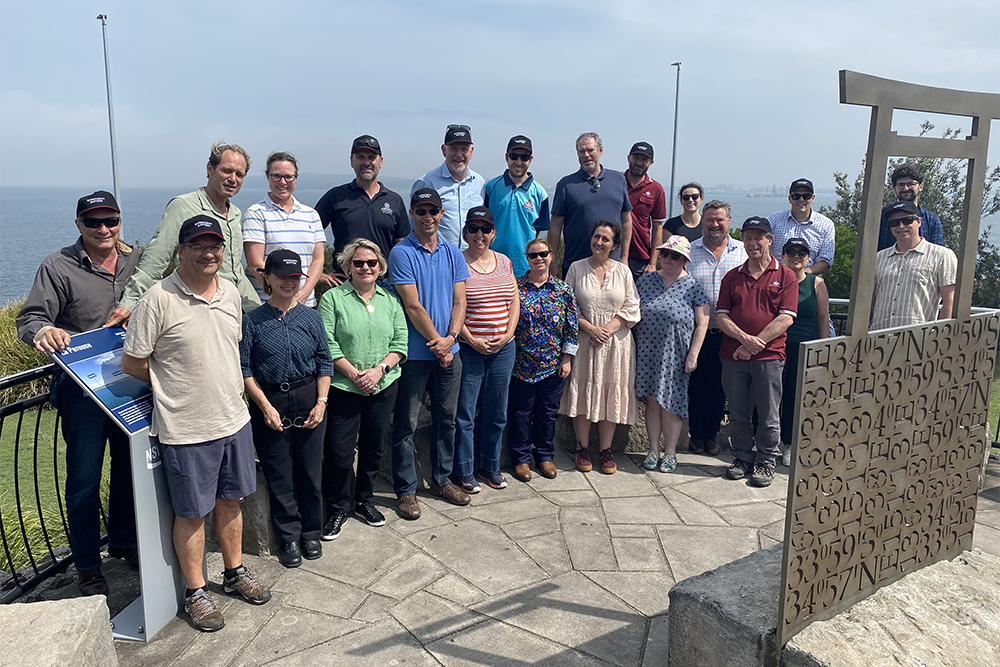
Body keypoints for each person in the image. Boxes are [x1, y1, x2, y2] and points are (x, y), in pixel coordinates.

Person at [121, 216, 271, 633]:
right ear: (180, 251)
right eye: (199, 246)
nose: (209, 253)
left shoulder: (229, 293)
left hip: (233, 418)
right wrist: (174, 384)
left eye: (215, 246)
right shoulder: (157, 299)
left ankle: (235, 571)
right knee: (191, 513)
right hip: (186, 427)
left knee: (231, 501)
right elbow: (133, 362)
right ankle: (195, 592)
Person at [16, 190, 141, 596]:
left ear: (120, 220)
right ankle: (88, 566)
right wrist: (44, 331)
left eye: (111, 220)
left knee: (130, 471)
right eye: (93, 222)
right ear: (78, 225)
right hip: (83, 392)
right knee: (84, 480)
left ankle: (125, 542)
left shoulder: (137, 260)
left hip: (131, 386)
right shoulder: (58, 265)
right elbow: (30, 317)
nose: (103, 229)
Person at [240, 250, 334, 568]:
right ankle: (289, 536)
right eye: (282, 276)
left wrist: (321, 403)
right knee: (279, 474)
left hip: (309, 395)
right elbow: (245, 369)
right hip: (270, 399)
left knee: (310, 470)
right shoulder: (253, 321)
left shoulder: (311, 317)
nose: (289, 282)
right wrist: (265, 407)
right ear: (268, 277)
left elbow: (324, 361)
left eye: (294, 277)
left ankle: (311, 531)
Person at [106, 142, 260, 326]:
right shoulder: (183, 206)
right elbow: (156, 259)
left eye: (239, 174)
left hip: (239, 305)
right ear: (210, 169)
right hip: (204, 307)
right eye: (227, 171)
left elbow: (235, 273)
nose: (233, 179)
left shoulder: (235, 213)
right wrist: (130, 303)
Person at [388, 188, 470, 519]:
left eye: (433, 210)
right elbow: (412, 305)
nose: (427, 216)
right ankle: (406, 490)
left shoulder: (453, 253)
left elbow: (460, 301)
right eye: (421, 211)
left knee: (447, 420)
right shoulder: (401, 252)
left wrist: (450, 339)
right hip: (415, 353)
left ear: (441, 213)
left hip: (449, 350)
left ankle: (441, 480)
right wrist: (440, 343)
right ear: (412, 213)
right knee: (405, 423)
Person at [318, 239, 407, 539]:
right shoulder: (332, 299)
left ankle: (364, 500)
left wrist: (379, 370)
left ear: (380, 267)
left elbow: (400, 343)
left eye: (371, 263)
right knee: (339, 453)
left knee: (372, 448)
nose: (365, 268)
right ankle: (338, 507)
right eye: (358, 263)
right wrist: (357, 374)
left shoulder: (391, 301)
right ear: (347, 267)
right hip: (345, 388)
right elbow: (327, 344)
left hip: (383, 385)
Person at [716, 217, 797, 488]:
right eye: (748, 238)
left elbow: (786, 318)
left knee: (768, 412)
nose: (753, 243)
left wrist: (754, 343)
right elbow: (722, 316)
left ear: (769, 241)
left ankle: (766, 459)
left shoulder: (785, 275)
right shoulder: (732, 276)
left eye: (758, 237)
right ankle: (742, 456)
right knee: (738, 411)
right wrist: (742, 339)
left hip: (770, 358)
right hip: (733, 356)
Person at [559, 220, 641, 475]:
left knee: (610, 390)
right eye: (596, 237)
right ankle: (582, 448)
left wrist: (607, 329)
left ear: (615, 244)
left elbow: (632, 306)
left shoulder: (623, 272)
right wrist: (590, 328)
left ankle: (605, 450)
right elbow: (567, 306)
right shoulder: (576, 268)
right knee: (582, 390)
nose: (599, 242)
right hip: (584, 341)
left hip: (616, 344)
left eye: (605, 239)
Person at [453, 207, 520, 493]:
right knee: (465, 412)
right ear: (466, 232)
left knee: (496, 410)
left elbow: (514, 298)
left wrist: (508, 334)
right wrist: (469, 339)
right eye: (473, 228)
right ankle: (464, 469)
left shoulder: (504, 261)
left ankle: (490, 466)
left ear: (493, 232)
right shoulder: (457, 261)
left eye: (485, 229)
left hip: (503, 349)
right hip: (470, 348)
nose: (479, 235)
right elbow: (453, 306)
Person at [633, 235, 709, 473]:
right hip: (647, 352)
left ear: (684, 260)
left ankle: (671, 452)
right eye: (664, 253)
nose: (667, 259)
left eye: (674, 255)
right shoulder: (645, 282)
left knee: (672, 404)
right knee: (652, 401)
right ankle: (653, 449)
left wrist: (693, 355)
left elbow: (703, 323)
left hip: (676, 354)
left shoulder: (694, 286)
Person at [509, 239, 579, 482]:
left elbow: (571, 328)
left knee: (547, 413)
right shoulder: (516, 288)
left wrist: (567, 358)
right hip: (521, 364)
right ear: (526, 259)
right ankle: (520, 458)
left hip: (552, 363)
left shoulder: (563, 290)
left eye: (543, 254)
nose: (539, 259)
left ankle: (545, 455)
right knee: (520, 412)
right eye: (533, 255)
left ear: (551, 256)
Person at [686, 201, 748, 456]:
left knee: (719, 387)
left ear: (729, 221)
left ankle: (711, 435)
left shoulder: (743, 253)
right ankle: (695, 434)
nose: (714, 225)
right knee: (694, 385)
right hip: (695, 332)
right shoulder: (689, 252)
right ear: (703, 221)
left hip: (729, 333)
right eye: (710, 219)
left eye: (719, 220)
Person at [314, 135, 411, 280]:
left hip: (385, 285)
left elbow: (402, 246)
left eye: (371, 157)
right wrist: (318, 275)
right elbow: (309, 234)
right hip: (345, 285)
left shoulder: (394, 200)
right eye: (360, 157)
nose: (366, 162)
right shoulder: (335, 197)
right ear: (352, 161)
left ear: (381, 161)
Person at [242, 151, 326, 306]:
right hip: (268, 305)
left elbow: (318, 259)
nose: (283, 182)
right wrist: (284, 296)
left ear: (296, 177)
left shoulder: (311, 214)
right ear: (268, 176)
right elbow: (255, 265)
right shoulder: (255, 213)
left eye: (288, 176)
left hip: (305, 305)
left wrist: (303, 294)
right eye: (276, 176)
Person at [548, 132, 634, 277]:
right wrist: (553, 262)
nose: (586, 155)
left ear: (600, 150)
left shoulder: (619, 179)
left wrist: (624, 258)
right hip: (575, 265)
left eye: (590, 150)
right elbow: (555, 226)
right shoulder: (566, 184)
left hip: (612, 264)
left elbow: (626, 220)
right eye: (582, 151)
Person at [778, 237, 829, 467]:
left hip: (805, 348)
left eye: (801, 252)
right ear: (783, 255)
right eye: (791, 251)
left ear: (808, 257)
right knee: (770, 396)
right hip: (777, 346)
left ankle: (789, 443)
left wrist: (824, 348)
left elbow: (823, 316)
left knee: (794, 397)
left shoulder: (816, 283)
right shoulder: (776, 280)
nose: (796, 256)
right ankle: (765, 441)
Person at [871, 201, 956, 331]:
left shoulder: (942, 256)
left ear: (919, 222)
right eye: (894, 222)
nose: (901, 226)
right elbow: (869, 299)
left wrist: (939, 338)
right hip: (878, 339)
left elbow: (949, 302)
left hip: (918, 341)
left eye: (907, 220)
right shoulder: (879, 258)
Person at [483, 135, 550, 277]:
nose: (519, 162)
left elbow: (537, 231)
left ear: (530, 160)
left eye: (524, 157)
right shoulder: (491, 187)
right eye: (514, 156)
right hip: (493, 263)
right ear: (506, 157)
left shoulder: (540, 193)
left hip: (525, 267)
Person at [410, 125, 486, 249]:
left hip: (472, 258)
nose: (459, 154)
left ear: (471, 152)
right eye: (453, 148)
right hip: (439, 257)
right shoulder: (427, 182)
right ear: (444, 150)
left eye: (464, 149)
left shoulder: (479, 183)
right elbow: (415, 226)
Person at [766, 179, 835, 275]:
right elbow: (763, 247)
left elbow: (825, 261)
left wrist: (801, 275)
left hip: (809, 282)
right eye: (796, 196)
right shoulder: (774, 220)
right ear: (790, 199)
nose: (801, 200)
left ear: (812, 198)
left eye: (806, 196)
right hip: (776, 278)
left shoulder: (826, 225)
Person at [623, 142, 667, 279]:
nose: (639, 163)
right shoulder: (616, 181)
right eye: (636, 158)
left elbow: (657, 227)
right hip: (612, 253)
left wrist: (653, 263)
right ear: (628, 158)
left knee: (639, 300)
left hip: (640, 257)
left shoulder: (656, 189)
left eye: (644, 160)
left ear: (651, 162)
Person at [877, 163, 945, 251]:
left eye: (910, 184)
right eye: (901, 185)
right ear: (894, 188)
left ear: (921, 186)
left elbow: (936, 253)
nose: (905, 188)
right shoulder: (881, 216)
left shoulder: (932, 220)